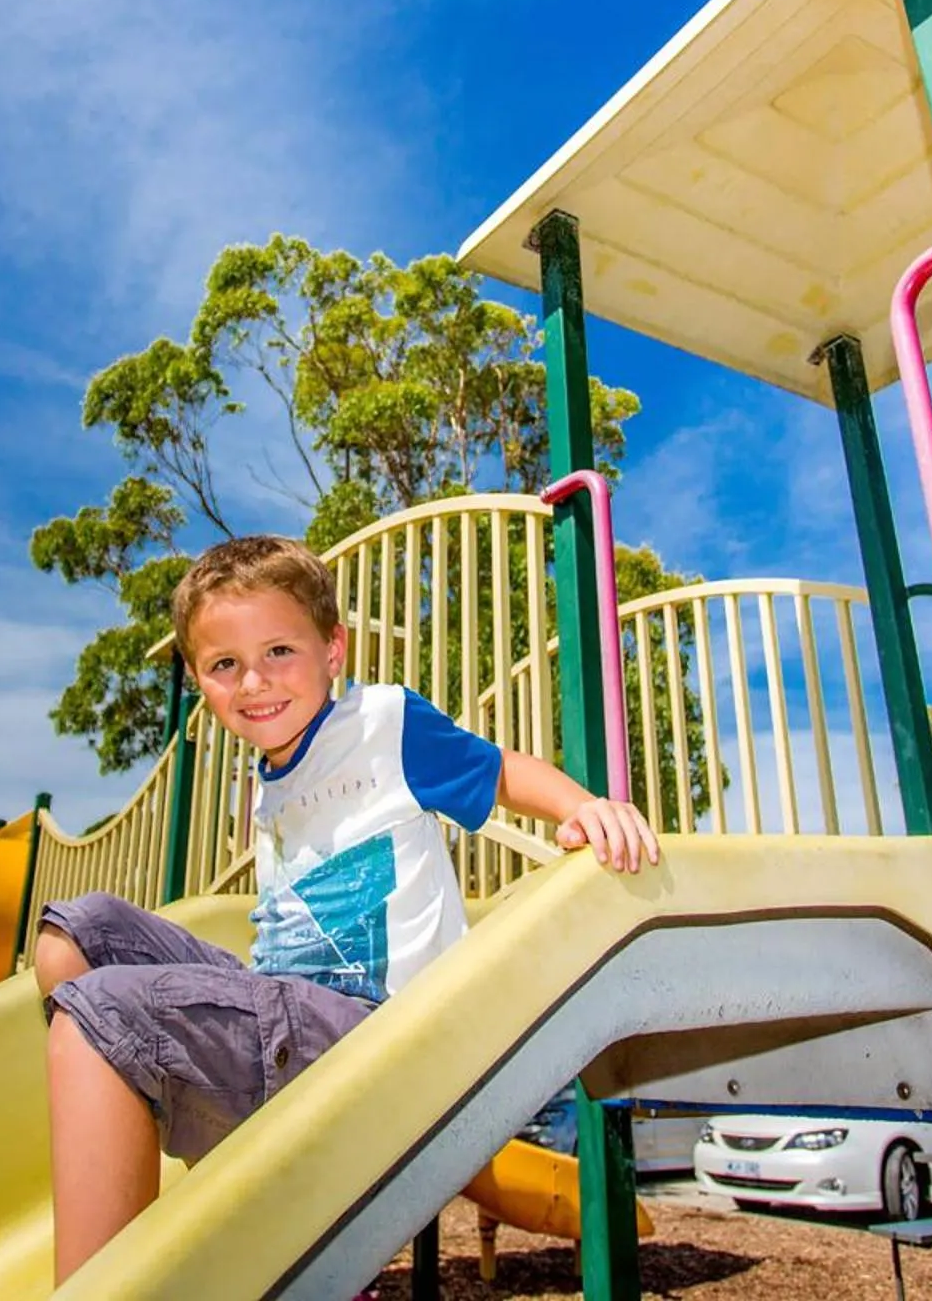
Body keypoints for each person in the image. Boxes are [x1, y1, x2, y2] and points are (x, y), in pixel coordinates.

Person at [38, 533, 663, 1283]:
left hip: (384, 1037)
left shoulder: (382, 724)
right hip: (290, 1020)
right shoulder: (267, 783)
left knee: (103, 1011)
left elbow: (499, 772)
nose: (254, 682)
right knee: (75, 935)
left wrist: (587, 808)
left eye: (279, 651)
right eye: (224, 664)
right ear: (200, 681)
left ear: (333, 649)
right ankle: (176, 1177)